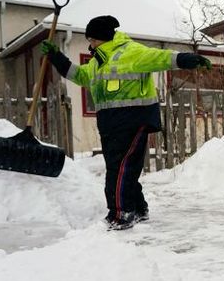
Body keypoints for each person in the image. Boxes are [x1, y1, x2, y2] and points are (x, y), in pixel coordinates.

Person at [41, 15, 212, 230]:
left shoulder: (130, 52)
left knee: (121, 167)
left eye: (93, 40)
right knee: (121, 167)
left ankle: (121, 213)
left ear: (103, 37)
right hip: (110, 123)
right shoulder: (97, 62)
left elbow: (160, 57)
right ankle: (138, 208)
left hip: (134, 118)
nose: (90, 44)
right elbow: (81, 76)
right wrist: (56, 57)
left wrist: (187, 59)